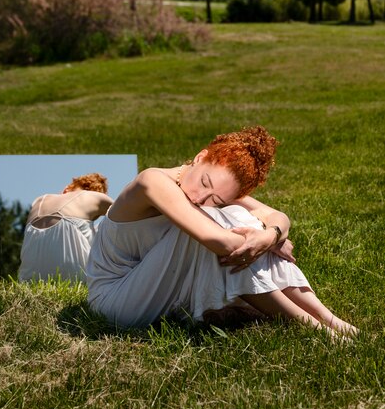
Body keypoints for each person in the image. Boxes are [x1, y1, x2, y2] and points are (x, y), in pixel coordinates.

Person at [87, 127, 357, 337]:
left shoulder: (214, 194)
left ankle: (330, 318)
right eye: (204, 182)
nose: (200, 197)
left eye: (216, 197)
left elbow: (278, 217)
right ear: (200, 157)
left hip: (155, 286)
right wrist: (261, 237)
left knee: (237, 216)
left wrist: (270, 234)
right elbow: (215, 240)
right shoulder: (152, 180)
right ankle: (312, 326)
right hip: (115, 300)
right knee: (215, 224)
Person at [18, 172, 113, 283]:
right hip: (78, 280)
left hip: (28, 281)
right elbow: (126, 211)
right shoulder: (95, 197)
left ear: (66, 189)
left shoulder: (40, 200)